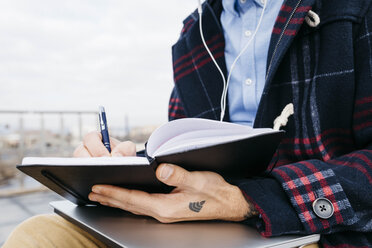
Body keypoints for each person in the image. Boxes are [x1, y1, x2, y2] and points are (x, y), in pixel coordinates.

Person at [3, 0, 372, 247]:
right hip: (194, 224)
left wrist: (250, 200)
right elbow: (185, 143)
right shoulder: (194, 34)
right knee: (37, 237)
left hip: (314, 227)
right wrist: (126, 166)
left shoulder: (352, 9)